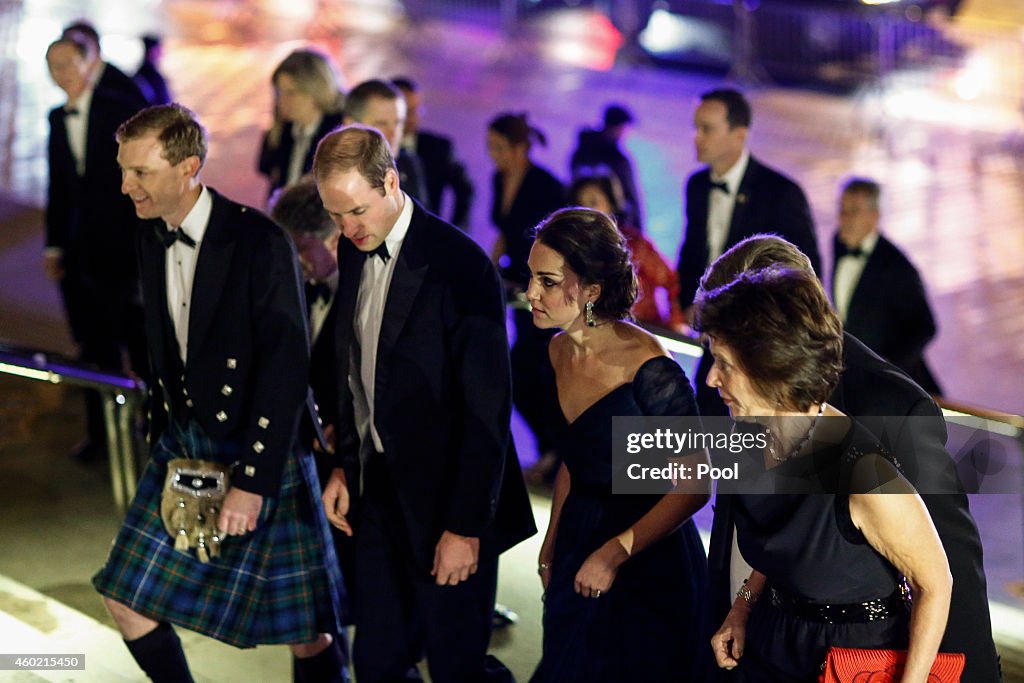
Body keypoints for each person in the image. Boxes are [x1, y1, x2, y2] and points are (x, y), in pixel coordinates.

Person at [92, 104, 349, 683]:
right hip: (187, 438)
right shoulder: (150, 233)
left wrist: (254, 483)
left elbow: (287, 366)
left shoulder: (257, 241)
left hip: (260, 443)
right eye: (123, 170)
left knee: (308, 630)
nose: (126, 185)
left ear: (189, 167)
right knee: (125, 599)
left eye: (141, 172)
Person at [700, 234, 1001, 683]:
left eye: (723, 359)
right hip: (770, 643)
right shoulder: (751, 414)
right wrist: (742, 607)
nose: (709, 378)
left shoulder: (886, 416)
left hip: (852, 660)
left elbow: (942, 574)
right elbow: (782, 535)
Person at [314, 125, 536, 683]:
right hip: (380, 496)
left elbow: (487, 411)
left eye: (357, 211)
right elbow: (355, 359)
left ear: (391, 180)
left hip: (448, 507)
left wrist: (464, 528)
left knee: (456, 667)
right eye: (336, 215)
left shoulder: (461, 266)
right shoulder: (353, 244)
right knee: (378, 664)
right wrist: (346, 463)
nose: (347, 228)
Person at [526, 208, 710, 682]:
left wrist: (614, 553)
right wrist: (553, 542)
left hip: (647, 557)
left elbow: (695, 485)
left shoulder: (650, 367)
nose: (530, 294)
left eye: (547, 282)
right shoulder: (556, 350)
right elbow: (578, 457)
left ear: (591, 290)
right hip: (579, 539)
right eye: (532, 278)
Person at [676, 88, 820, 417]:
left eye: (707, 129)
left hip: (756, 345)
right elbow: (692, 249)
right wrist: (689, 301)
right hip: (713, 338)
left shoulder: (781, 193)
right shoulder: (696, 186)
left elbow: (805, 273)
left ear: (739, 134)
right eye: (695, 128)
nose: (696, 138)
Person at [44, 34, 147, 463]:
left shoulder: (119, 109)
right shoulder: (56, 117)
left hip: (124, 252)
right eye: (53, 66)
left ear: (91, 64)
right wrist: (54, 246)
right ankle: (100, 438)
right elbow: (60, 187)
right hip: (79, 253)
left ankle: (152, 425)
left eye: (68, 64)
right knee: (90, 344)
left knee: (139, 343)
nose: (60, 74)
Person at [487, 111, 566, 482]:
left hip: (540, 286)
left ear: (520, 148)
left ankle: (556, 451)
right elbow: (503, 231)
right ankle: (550, 449)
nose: (493, 155)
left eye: (499, 147)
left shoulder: (546, 185)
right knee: (521, 369)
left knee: (533, 368)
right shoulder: (499, 178)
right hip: (514, 287)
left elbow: (555, 241)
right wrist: (486, 269)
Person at [833, 178, 942, 395]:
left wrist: (886, 368)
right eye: (842, 209)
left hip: (896, 387)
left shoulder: (898, 267)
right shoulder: (839, 243)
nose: (843, 218)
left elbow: (925, 327)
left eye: (853, 211)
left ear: (875, 217)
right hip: (856, 379)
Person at [569, 173, 686, 332]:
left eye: (593, 203)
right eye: (581, 206)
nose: (588, 211)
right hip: (598, 332)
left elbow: (671, 281)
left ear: (611, 203)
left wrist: (676, 322)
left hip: (643, 331)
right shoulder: (576, 250)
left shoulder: (635, 245)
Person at [258, 48, 345, 200]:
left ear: (317, 90)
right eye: (279, 93)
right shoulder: (285, 130)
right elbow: (265, 168)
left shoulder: (339, 136)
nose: (281, 101)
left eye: (291, 93)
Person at [392, 77, 475, 230]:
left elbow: (465, 189)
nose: (413, 117)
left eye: (417, 110)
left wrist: (455, 231)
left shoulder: (438, 147)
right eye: (407, 111)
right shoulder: (377, 146)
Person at [342, 79, 428, 207]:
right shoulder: (330, 170)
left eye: (398, 123)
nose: (393, 134)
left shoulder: (409, 165)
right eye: (381, 124)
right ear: (351, 125)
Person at [569, 103, 644, 231]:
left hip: (576, 222)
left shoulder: (582, 151)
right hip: (612, 228)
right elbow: (632, 199)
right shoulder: (618, 159)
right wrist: (637, 231)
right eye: (624, 128)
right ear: (617, 127)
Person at [62, 20, 147, 108]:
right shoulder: (90, 78)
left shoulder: (117, 85)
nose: (70, 54)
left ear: (96, 46)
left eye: (79, 48)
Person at [133, 34, 172, 106]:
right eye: (158, 50)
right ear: (151, 51)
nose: (161, 53)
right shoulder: (151, 76)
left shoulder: (140, 74)